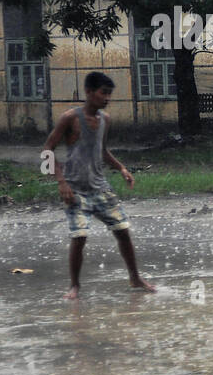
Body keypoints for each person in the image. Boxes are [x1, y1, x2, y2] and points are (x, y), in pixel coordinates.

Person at [45, 72, 155, 299]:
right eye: (103, 93)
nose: (106, 98)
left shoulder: (105, 119)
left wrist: (121, 168)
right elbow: (47, 150)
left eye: (109, 94)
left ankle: (135, 278)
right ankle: (74, 286)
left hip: (100, 187)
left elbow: (102, 151)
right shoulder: (70, 118)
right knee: (80, 237)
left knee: (123, 231)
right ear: (89, 92)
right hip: (75, 190)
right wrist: (61, 182)